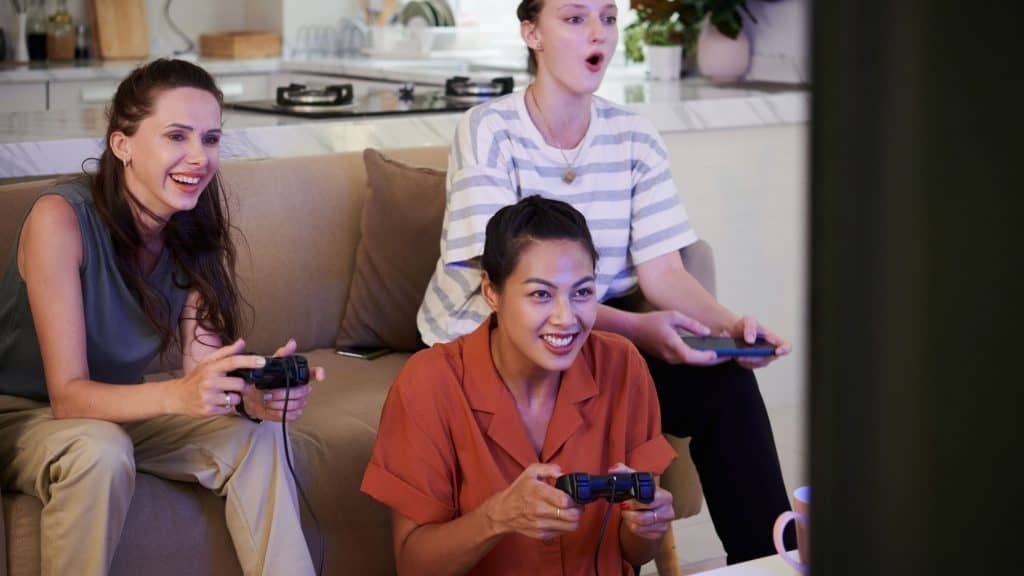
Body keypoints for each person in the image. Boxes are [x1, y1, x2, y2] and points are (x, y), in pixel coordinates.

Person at [415, 0, 795, 566]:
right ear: (531, 33)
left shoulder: (634, 136)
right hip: (497, 332)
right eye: (574, 19)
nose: (598, 33)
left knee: (728, 386)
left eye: (608, 18)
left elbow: (664, 273)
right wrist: (641, 330)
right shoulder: (489, 128)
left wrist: (728, 325)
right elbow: (510, 282)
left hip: (587, 338)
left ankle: (771, 562)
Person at [0, 59, 320, 576]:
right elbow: (67, 395)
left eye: (211, 138)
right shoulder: (59, 220)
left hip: (117, 409)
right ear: (121, 144)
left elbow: (202, 367)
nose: (200, 157)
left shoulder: (190, 225)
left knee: (254, 441)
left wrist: (250, 397)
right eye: (177, 136)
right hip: (23, 414)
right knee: (97, 450)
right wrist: (178, 393)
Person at [362, 195, 677, 575]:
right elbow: (414, 567)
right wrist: (497, 517)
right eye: (540, 294)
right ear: (492, 292)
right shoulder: (430, 383)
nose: (566, 318)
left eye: (582, 292)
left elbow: (636, 553)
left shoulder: (622, 366)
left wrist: (647, 525)